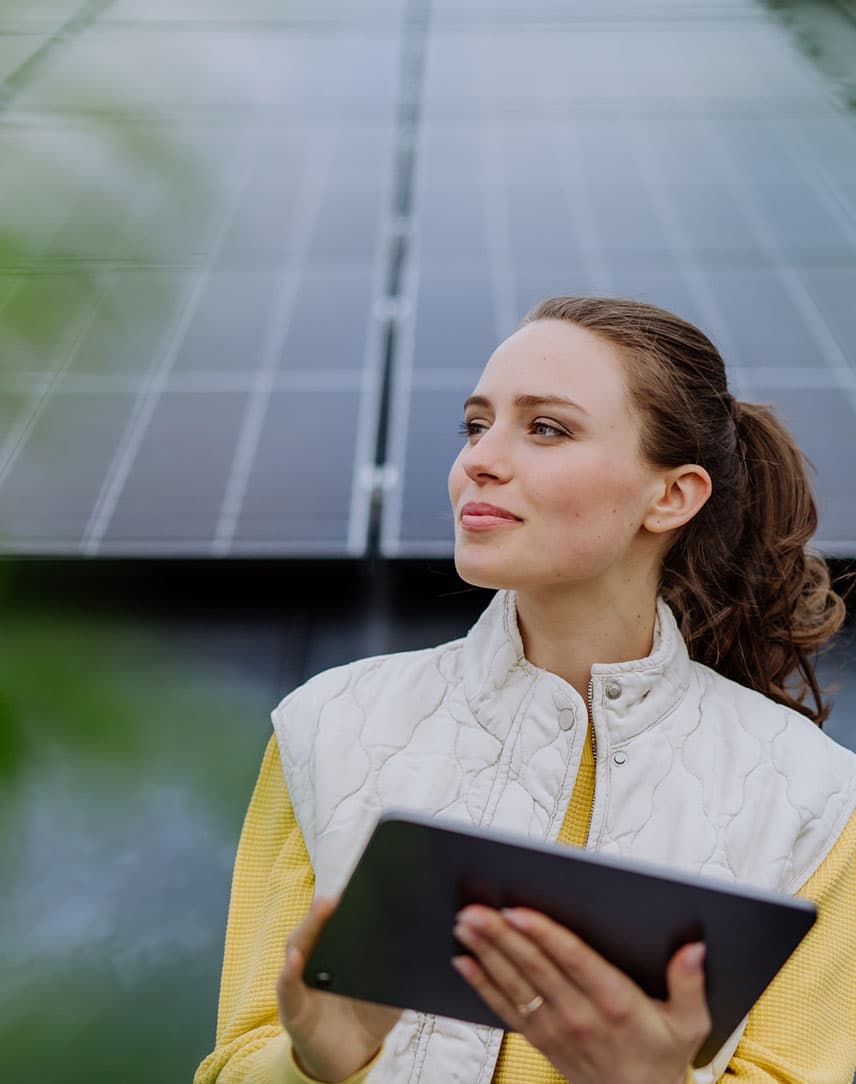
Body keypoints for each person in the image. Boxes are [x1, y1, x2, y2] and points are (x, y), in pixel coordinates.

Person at [195, 297, 856, 1084]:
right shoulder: (326, 727)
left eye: (546, 428)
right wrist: (318, 1064)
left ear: (672, 495)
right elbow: (234, 1062)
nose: (481, 458)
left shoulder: (815, 798)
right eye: (477, 425)